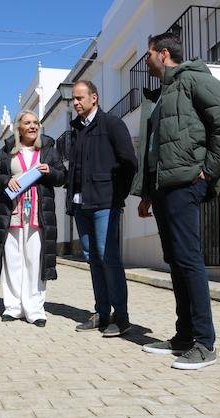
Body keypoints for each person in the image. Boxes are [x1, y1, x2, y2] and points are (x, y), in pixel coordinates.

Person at [133, 32, 220, 369]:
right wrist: (147, 192)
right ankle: (184, 336)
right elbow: (155, 146)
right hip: (164, 187)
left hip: (185, 184)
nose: (146, 61)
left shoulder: (195, 80)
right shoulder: (164, 93)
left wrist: (207, 171)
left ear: (164, 54)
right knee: (177, 261)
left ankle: (204, 343)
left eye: (148, 54)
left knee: (189, 259)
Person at [66, 80, 138, 337]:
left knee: (109, 259)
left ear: (94, 98)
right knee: (93, 259)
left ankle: (122, 317)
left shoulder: (112, 125)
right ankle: (102, 312)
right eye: (73, 99)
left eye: (79, 98)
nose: (75, 103)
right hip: (80, 204)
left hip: (104, 204)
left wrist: (117, 194)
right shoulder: (76, 129)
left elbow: (129, 162)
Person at [0, 110, 66, 326]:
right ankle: (13, 307)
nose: (33, 126)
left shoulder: (48, 150)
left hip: (39, 215)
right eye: (28, 123)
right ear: (19, 127)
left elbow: (62, 177)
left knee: (34, 260)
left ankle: (35, 309)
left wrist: (50, 171)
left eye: (36, 122)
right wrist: (6, 181)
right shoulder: (7, 151)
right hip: (11, 214)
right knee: (12, 260)